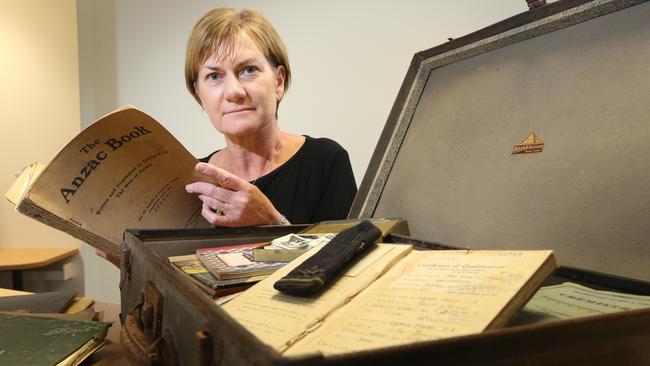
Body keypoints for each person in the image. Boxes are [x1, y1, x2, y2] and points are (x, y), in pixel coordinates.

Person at [183, 8, 357, 227]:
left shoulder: (325, 162)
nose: (234, 92)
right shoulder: (193, 181)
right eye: (215, 76)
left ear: (278, 82)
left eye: (248, 70)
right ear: (199, 94)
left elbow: (350, 259)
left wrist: (273, 221)